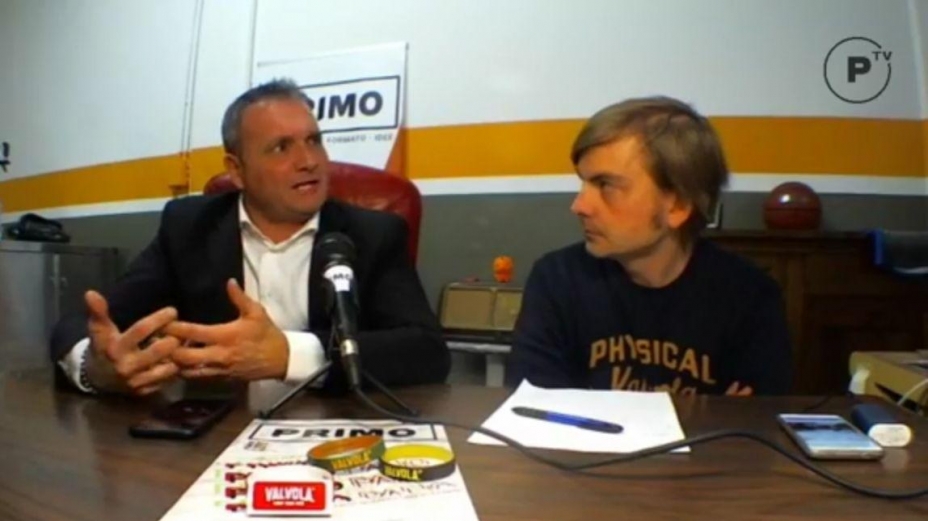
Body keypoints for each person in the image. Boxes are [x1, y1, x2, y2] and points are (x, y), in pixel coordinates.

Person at [50, 78, 450, 395]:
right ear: (236, 170)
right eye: (281, 147)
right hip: (216, 434)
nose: (308, 160)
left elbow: (427, 351)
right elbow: (89, 324)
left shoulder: (374, 234)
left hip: (336, 429)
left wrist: (289, 355)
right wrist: (95, 368)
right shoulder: (189, 228)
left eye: (313, 140)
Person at [506, 96, 791, 396]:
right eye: (584, 183)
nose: (579, 206)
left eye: (606, 185)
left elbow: (751, 418)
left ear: (678, 206)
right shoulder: (556, 280)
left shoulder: (749, 296)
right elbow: (536, 407)